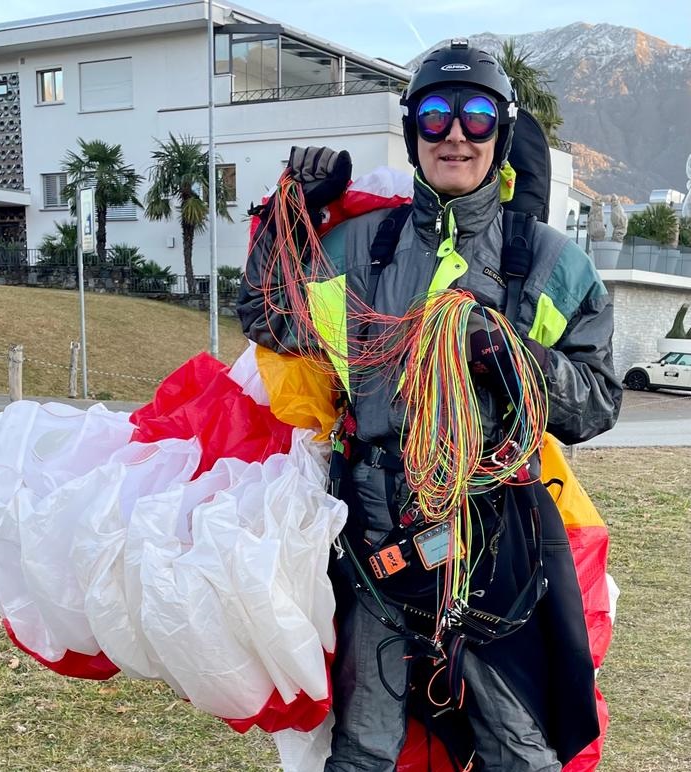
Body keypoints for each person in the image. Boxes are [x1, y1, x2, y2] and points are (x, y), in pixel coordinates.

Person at [238, 40, 622, 772]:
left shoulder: (550, 263)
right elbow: (269, 316)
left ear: (500, 133)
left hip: (495, 539)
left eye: (477, 117)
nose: (455, 136)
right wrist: (292, 210)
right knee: (364, 745)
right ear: (413, 128)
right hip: (376, 536)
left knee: (520, 748)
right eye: (435, 115)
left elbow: (597, 404)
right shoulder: (357, 250)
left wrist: (513, 357)